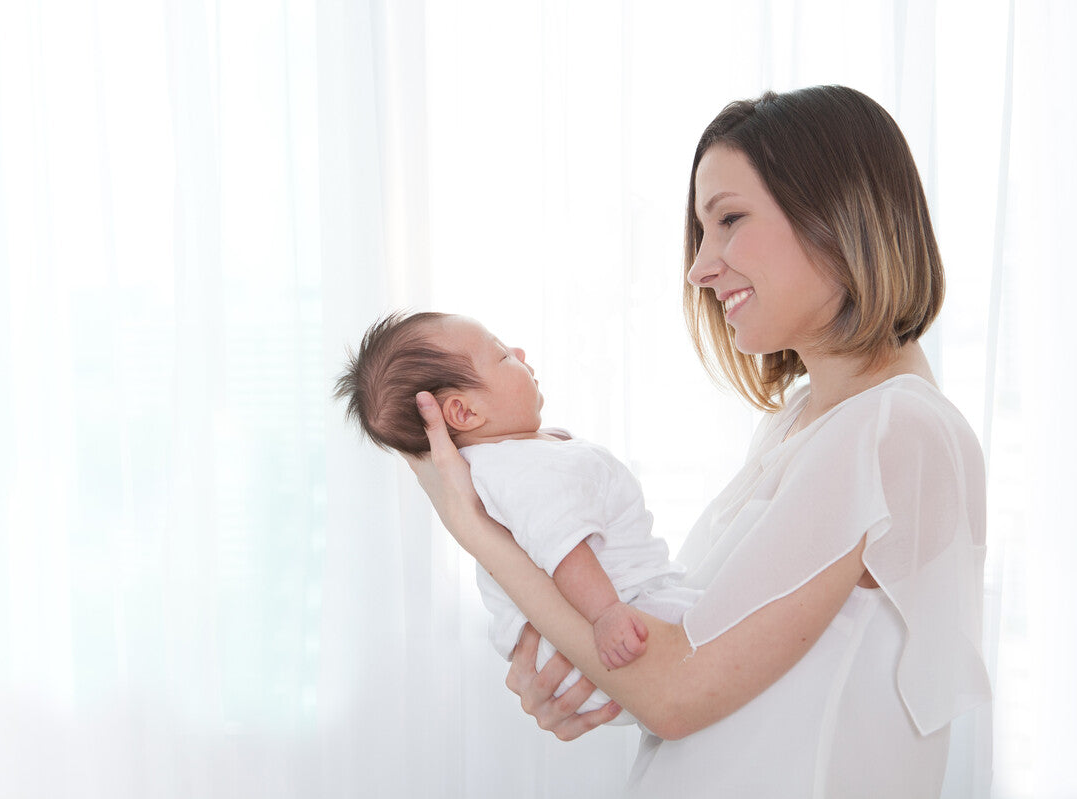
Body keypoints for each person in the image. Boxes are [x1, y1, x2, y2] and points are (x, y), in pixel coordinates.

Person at [404, 85, 991, 798]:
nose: (700, 267)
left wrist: (476, 529)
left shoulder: (893, 428)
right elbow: (682, 668)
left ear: (838, 214)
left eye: (730, 219)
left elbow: (674, 695)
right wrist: (577, 665)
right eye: (701, 232)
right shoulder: (802, 422)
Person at [335, 311, 698, 727]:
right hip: (608, 625)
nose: (520, 353)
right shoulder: (518, 470)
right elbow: (565, 548)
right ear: (464, 413)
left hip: (589, 634)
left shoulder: (514, 458)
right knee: (708, 626)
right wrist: (607, 614)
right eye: (504, 356)